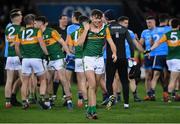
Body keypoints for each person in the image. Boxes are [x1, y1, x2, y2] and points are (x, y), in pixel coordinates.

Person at [78, 9, 117, 119]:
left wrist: (114, 53)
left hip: (99, 59)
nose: (97, 20)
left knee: (94, 88)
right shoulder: (85, 28)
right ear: (91, 18)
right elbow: (79, 44)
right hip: (88, 59)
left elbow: (111, 42)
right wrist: (86, 30)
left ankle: (89, 110)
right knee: (92, 84)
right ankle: (94, 112)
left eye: (99, 18)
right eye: (95, 18)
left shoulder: (105, 28)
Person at [34, 16, 73, 109]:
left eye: (36, 22)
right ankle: (48, 101)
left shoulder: (51, 31)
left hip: (58, 57)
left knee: (62, 78)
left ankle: (69, 100)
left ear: (41, 23)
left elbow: (63, 42)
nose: (35, 24)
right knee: (47, 80)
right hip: (48, 59)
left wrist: (68, 53)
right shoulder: (38, 33)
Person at [15, 14, 50, 109]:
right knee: (43, 79)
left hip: (25, 60)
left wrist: (20, 57)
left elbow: (16, 47)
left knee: (25, 82)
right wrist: (47, 54)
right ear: (33, 22)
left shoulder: (20, 33)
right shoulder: (37, 31)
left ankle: (24, 102)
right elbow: (42, 43)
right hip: (36, 59)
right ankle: (42, 98)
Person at [104, 10, 134, 110]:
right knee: (124, 81)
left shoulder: (107, 28)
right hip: (122, 58)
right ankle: (126, 104)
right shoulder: (123, 28)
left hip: (111, 58)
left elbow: (103, 43)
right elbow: (131, 43)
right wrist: (132, 57)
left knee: (109, 81)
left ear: (107, 18)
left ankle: (110, 102)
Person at [144, 18, 180, 102]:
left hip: (168, 58)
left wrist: (149, 49)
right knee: (173, 78)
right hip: (177, 58)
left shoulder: (166, 34)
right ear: (178, 26)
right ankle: (169, 95)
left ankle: (152, 93)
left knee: (156, 75)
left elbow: (157, 43)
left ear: (171, 25)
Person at [118, 16, 144, 102]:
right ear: (120, 23)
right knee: (118, 77)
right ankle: (118, 96)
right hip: (119, 57)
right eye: (125, 23)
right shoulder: (114, 31)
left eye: (127, 23)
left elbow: (136, 44)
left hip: (130, 58)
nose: (127, 25)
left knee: (131, 77)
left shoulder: (130, 32)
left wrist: (145, 52)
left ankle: (135, 96)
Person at [148, 14, 171, 101]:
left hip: (158, 55)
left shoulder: (154, 30)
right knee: (168, 75)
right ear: (167, 21)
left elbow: (151, 43)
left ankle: (152, 93)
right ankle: (166, 92)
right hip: (168, 54)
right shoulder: (169, 29)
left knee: (156, 75)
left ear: (159, 21)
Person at [68, 15, 89, 108]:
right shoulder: (88, 32)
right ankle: (89, 100)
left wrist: (77, 52)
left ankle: (83, 100)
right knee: (91, 80)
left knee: (81, 81)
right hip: (87, 58)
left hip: (78, 58)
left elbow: (70, 49)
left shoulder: (73, 34)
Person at [4, 9, 23, 108]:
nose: (21, 17)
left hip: (9, 57)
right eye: (20, 16)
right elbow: (16, 43)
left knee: (9, 80)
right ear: (17, 18)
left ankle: (7, 102)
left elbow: (8, 41)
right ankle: (26, 100)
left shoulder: (8, 28)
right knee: (24, 79)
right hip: (17, 55)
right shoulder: (20, 29)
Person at [66, 11, 82, 106]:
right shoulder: (83, 27)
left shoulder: (70, 27)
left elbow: (68, 42)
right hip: (81, 56)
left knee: (67, 79)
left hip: (72, 55)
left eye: (71, 17)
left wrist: (69, 51)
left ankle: (69, 99)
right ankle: (80, 99)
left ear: (74, 17)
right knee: (81, 79)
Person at [139, 16, 155, 100]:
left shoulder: (158, 31)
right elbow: (140, 44)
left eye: (150, 22)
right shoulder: (144, 32)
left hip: (157, 55)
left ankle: (165, 93)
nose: (148, 24)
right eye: (147, 22)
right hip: (148, 56)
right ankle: (149, 94)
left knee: (161, 75)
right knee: (148, 75)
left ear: (154, 22)